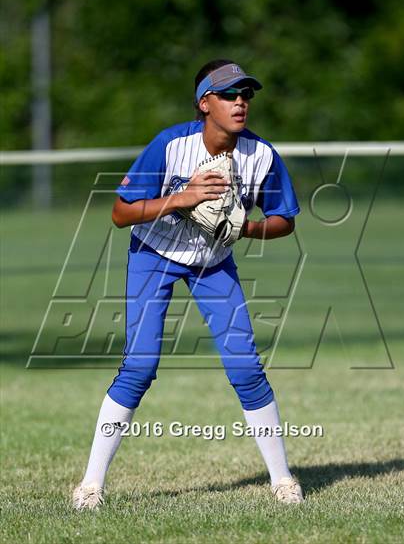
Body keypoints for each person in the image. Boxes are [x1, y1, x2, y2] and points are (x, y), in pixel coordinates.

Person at [72, 59, 303, 510]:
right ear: (205, 103)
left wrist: (244, 229)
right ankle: (91, 485)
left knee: (245, 368)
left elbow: (284, 221)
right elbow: (120, 215)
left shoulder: (262, 156)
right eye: (229, 94)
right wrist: (181, 198)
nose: (240, 102)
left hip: (212, 262)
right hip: (153, 256)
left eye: (246, 95)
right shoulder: (170, 145)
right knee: (139, 367)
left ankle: (283, 480)